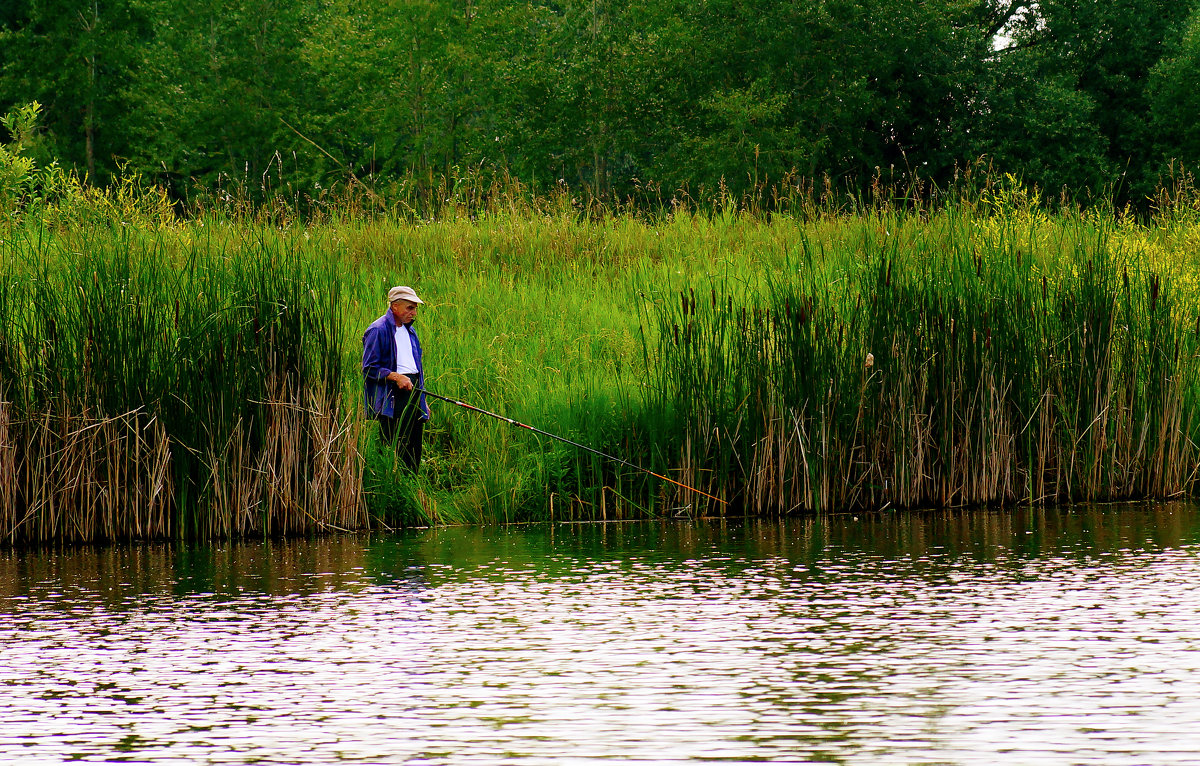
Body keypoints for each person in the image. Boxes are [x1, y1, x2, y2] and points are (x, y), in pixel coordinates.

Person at [362, 285, 430, 471]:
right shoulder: (378, 330)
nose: (414, 312)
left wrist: (421, 398)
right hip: (393, 394)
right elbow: (369, 369)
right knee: (394, 444)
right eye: (410, 308)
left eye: (415, 308)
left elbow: (415, 366)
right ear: (395, 307)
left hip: (414, 390)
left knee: (414, 445)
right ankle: (392, 484)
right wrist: (396, 377)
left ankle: (411, 483)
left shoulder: (410, 331)